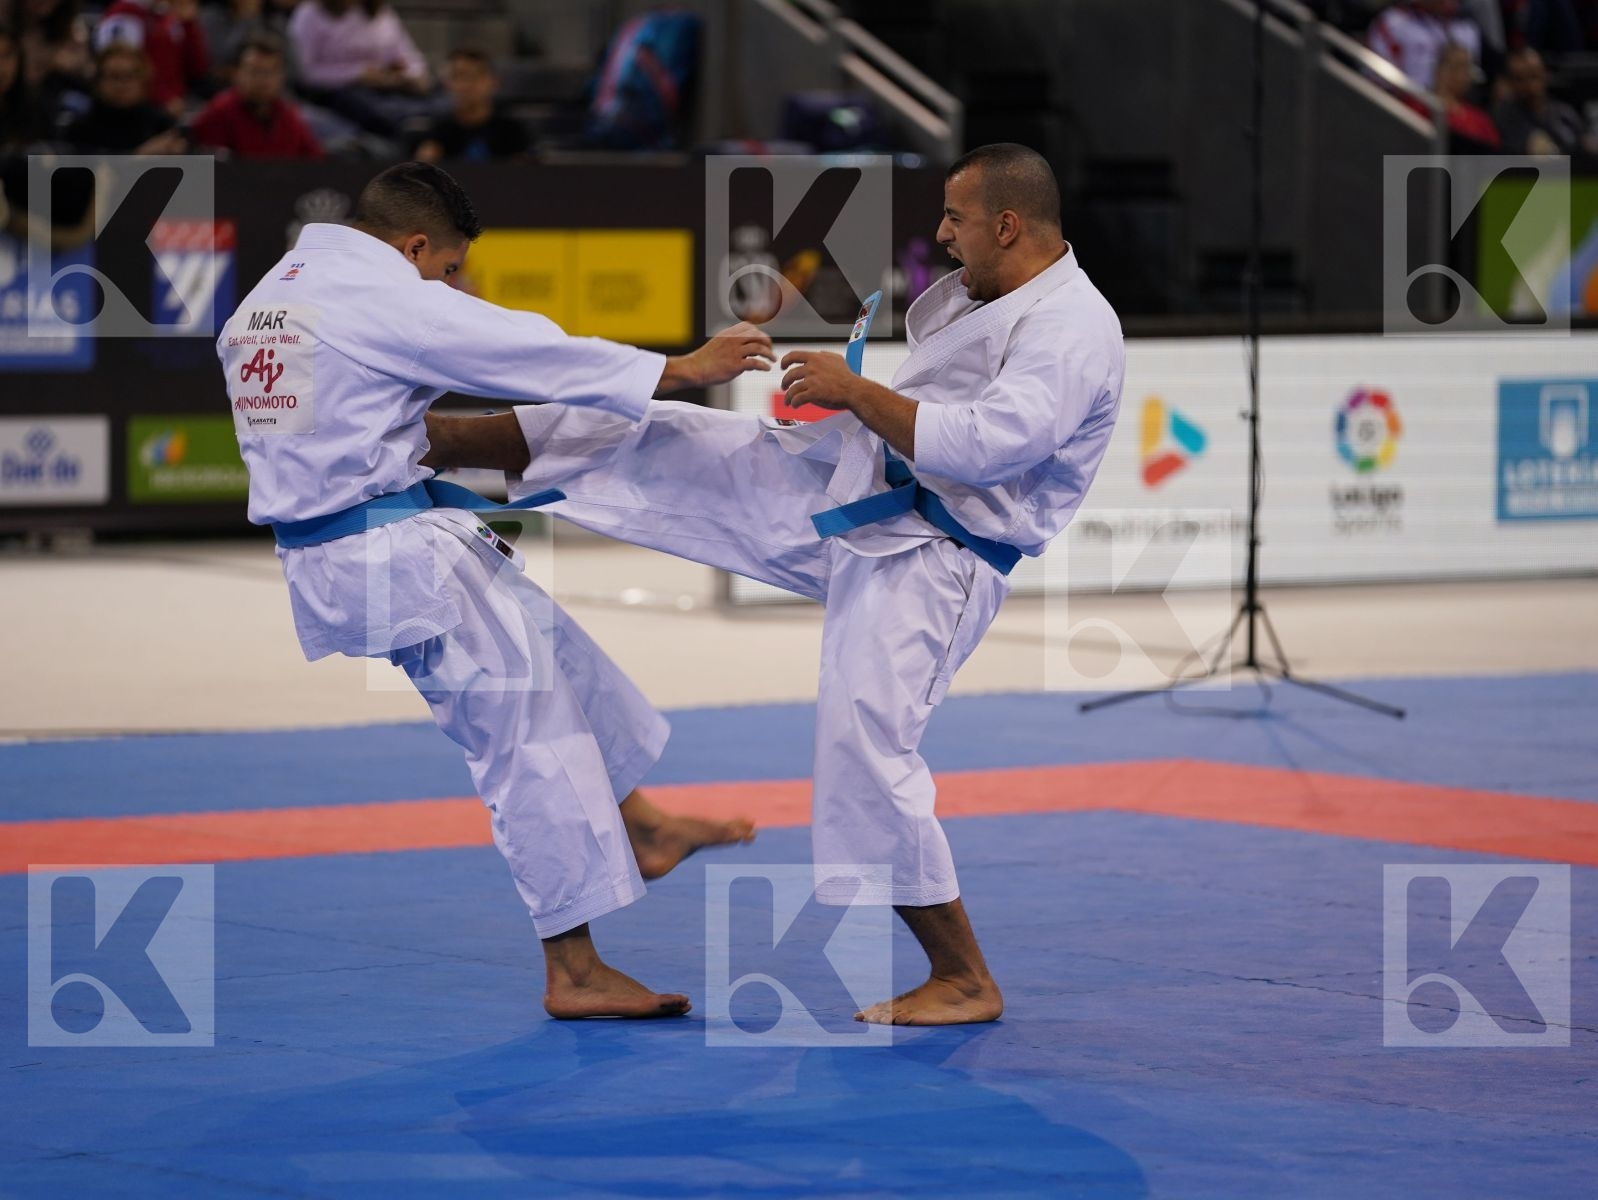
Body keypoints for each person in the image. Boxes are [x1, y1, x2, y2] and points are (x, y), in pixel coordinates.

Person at [423, 143, 1126, 1026]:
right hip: (860, 489)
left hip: (936, 559)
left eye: (956, 219)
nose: (943, 235)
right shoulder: (1003, 294)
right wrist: (851, 409)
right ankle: (434, 442)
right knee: (662, 434)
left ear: (1008, 224)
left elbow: (989, 446)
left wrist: (854, 390)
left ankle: (962, 975)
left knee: (865, 744)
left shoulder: (1073, 329)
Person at [216, 162, 774, 1019]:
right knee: (527, 741)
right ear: (412, 247)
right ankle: (575, 969)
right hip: (388, 552)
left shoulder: (266, 303)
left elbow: (340, 427)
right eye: (446, 270)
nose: (451, 286)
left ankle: (646, 825)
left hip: (364, 542)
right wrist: (680, 368)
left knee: (561, 660)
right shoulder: (381, 294)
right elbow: (523, 349)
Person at [287, 0, 432, 138]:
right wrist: (357, 74)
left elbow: (409, 57)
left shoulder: (381, 13)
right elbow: (306, 73)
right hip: (337, 93)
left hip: (390, 88)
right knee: (373, 109)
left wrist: (410, 74)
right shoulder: (309, 14)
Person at [190, 33, 322, 158]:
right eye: (255, 71)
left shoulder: (289, 116)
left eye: (271, 72)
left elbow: (317, 163)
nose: (264, 80)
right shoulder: (218, 113)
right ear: (237, 74)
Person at [62, 42, 185, 153]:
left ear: (143, 80)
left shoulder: (161, 125)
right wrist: (140, 156)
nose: (122, 84)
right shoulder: (80, 130)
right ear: (98, 81)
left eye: (129, 76)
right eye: (114, 76)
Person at [412, 48, 529, 163]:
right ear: (447, 83)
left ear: (494, 81)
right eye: (458, 76)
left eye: (475, 76)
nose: (466, 85)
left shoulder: (511, 130)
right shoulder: (438, 131)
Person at [94, 0, 209, 115]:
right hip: (144, 107)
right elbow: (121, 71)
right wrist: (164, 98)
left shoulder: (167, 13)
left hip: (178, 100)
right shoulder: (124, 14)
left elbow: (198, 68)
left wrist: (188, 24)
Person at [1493, 46, 1593, 156]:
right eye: (1519, 79)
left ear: (1545, 76)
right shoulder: (1504, 117)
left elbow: (1587, 142)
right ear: (1510, 83)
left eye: (1534, 76)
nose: (1529, 86)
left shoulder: (1564, 112)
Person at [1368, 0, 1482, 89]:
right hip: (1405, 101)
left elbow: (1472, 77)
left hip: (1451, 106)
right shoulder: (1393, 23)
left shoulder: (1466, 29)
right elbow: (1378, 78)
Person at [1432, 41, 1500, 148]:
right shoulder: (1420, 106)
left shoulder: (1481, 121)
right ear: (1438, 69)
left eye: (1466, 68)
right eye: (1455, 67)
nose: (1461, 75)